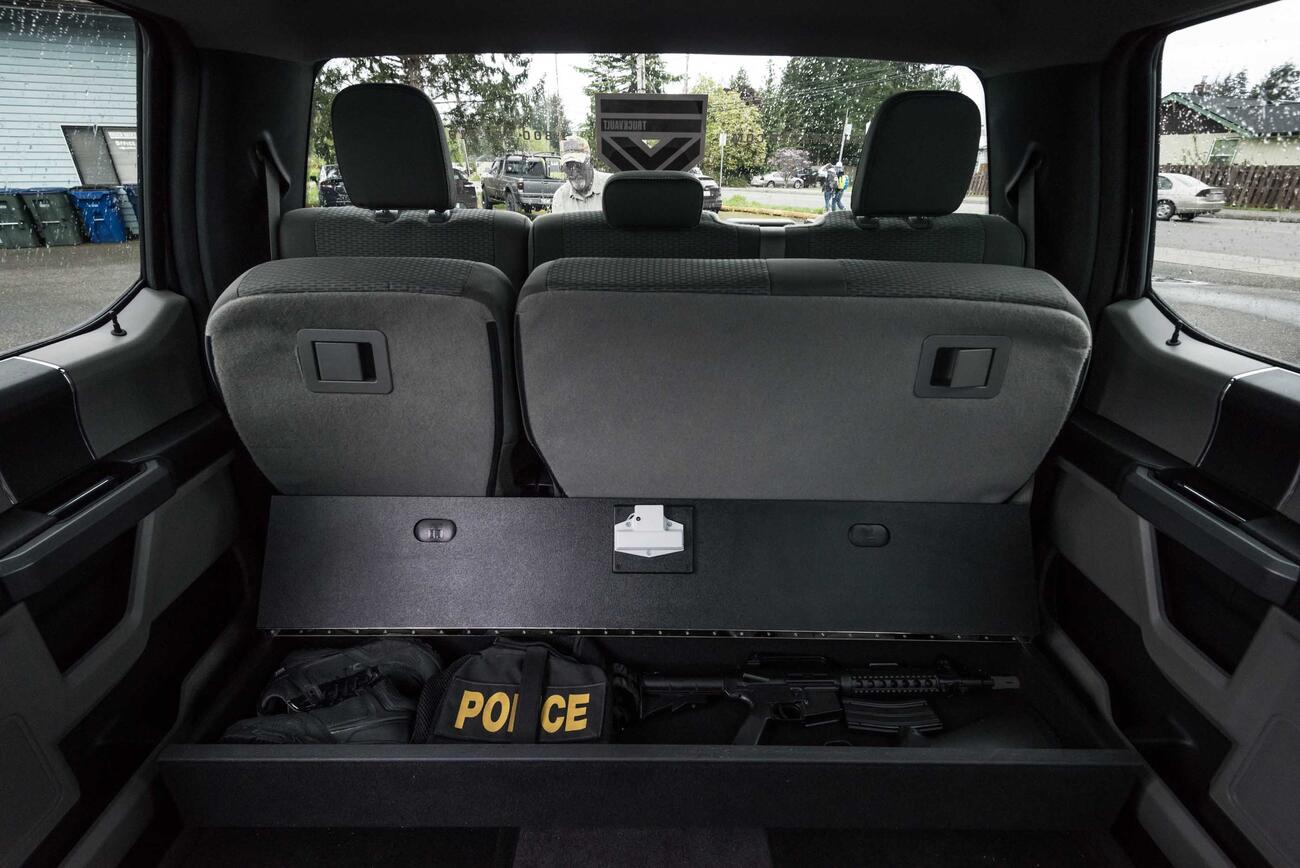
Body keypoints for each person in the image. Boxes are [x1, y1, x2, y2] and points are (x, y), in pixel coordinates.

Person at [551, 136, 610, 214]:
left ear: (590, 161)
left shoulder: (610, 187)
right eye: (569, 166)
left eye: (579, 164)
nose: (574, 172)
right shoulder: (560, 197)